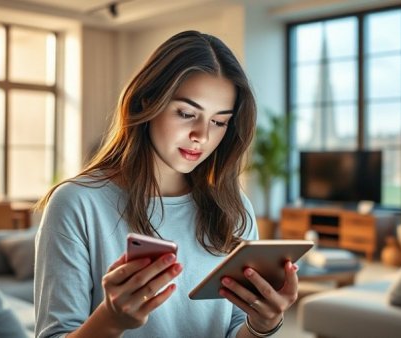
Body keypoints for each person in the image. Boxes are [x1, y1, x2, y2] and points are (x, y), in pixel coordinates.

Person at [34, 30, 299, 338]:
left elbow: (234, 330)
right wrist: (111, 319)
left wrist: (262, 325)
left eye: (219, 121)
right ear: (148, 101)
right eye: (187, 113)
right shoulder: (76, 203)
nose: (202, 134)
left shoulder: (235, 208)